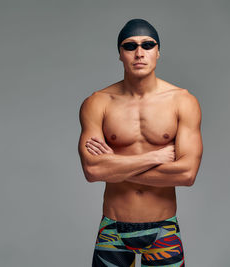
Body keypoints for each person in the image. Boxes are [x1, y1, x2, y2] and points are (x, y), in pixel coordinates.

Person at [77, 18, 203, 267]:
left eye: (147, 45)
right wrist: (154, 157)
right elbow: (93, 171)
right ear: (120, 54)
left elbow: (187, 174)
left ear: (158, 51)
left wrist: (114, 166)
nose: (139, 53)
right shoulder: (97, 103)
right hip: (113, 229)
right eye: (130, 46)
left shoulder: (183, 102)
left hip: (163, 229)